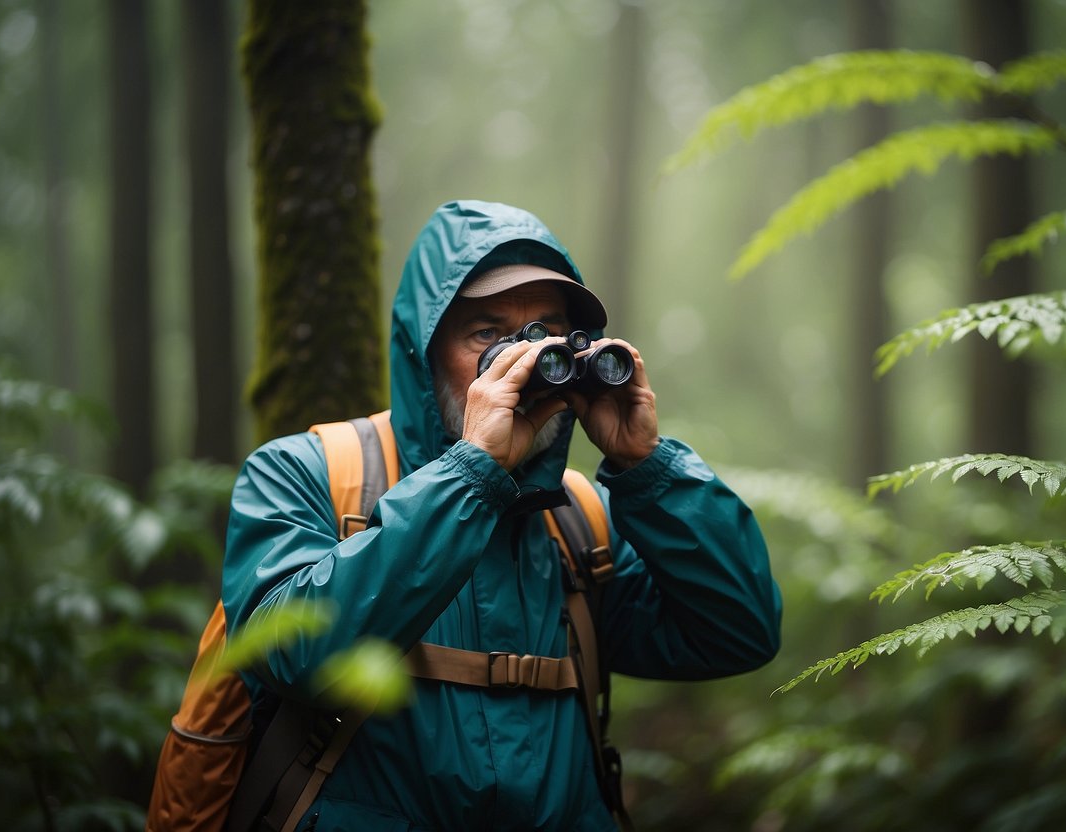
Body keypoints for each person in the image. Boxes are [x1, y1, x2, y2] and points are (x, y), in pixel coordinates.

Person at [221, 199, 782, 830]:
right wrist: (472, 475)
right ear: (424, 352)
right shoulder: (306, 474)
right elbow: (292, 653)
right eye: (487, 334)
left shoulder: (579, 522)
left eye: (544, 332)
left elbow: (739, 632)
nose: (523, 358)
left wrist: (646, 466)